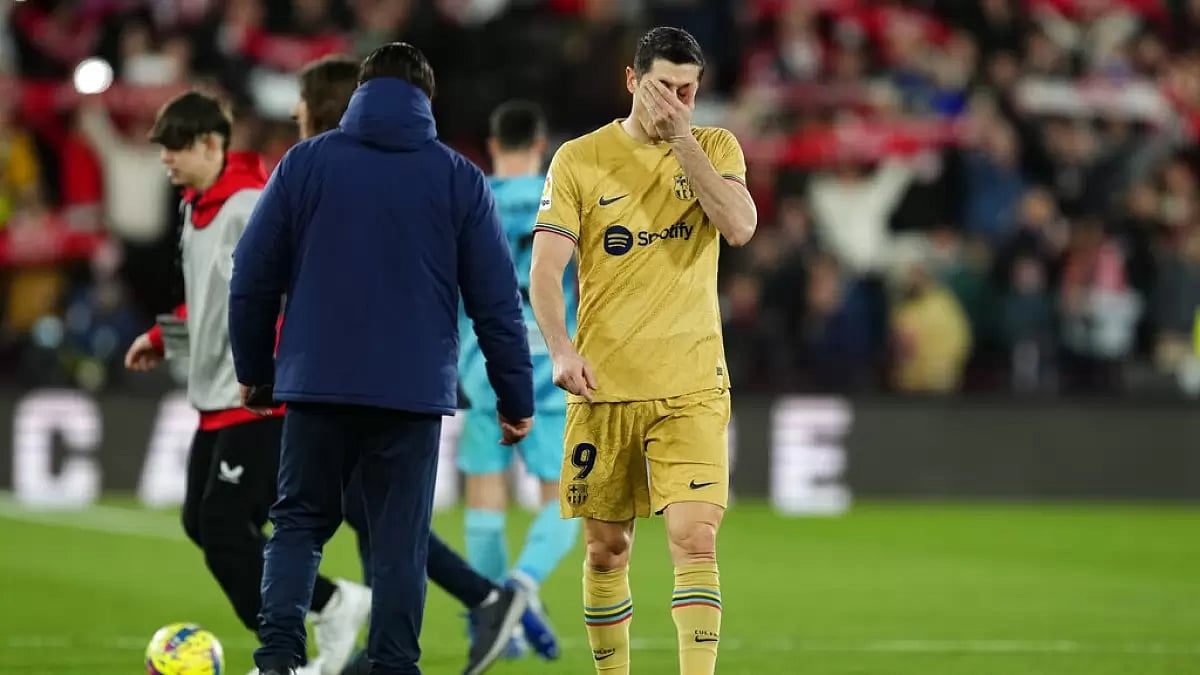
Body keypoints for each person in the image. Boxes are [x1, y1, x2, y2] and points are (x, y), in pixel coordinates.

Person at [228, 43, 535, 675]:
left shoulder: (306, 164)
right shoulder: (459, 178)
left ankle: (278, 658)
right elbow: (499, 304)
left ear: (361, 91)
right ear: (428, 99)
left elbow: (251, 277)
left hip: (317, 384)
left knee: (298, 525)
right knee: (399, 540)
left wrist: (256, 371)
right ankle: (395, 666)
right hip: (412, 394)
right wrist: (516, 397)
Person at [528, 27, 757, 675]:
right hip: (604, 387)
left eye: (687, 91)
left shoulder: (715, 147)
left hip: (692, 384)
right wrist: (560, 349)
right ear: (632, 81)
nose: (675, 102)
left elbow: (740, 225)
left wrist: (683, 138)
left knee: (695, 539)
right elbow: (545, 269)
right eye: (663, 89)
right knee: (606, 550)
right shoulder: (579, 158)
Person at [122, 91, 370, 675]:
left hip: (258, 395)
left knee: (226, 528)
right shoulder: (196, 206)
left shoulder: (250, 203)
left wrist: (273, 363)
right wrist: (160, 337)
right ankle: (331, 603)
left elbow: (293, 284)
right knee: (201, 522)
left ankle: (284, 657)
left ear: (212, 144)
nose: (166, 158)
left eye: (176, 147)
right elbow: (207, 299)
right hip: (215, 396)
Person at [457, 100, 580, 661]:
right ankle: (521, 587)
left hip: (482, 366)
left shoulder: (468, 196)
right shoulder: (565, 196)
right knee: (565, 499)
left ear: (492, 144)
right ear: (539, 145)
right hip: (551, 372)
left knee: (485, 495)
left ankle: (492, 618)